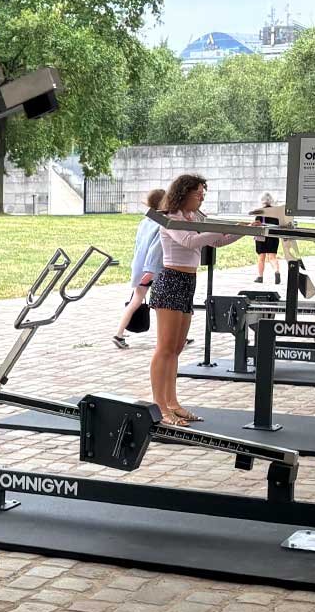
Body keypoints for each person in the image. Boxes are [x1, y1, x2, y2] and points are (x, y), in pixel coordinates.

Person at [149, 174, 250, 425]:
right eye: (198, 193)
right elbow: (189, 240)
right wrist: (216, 228)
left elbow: (217, 241)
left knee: (177, 348)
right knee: (164, 348)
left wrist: (241, 230)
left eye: (203, 193)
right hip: (170, 281)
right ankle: (159, 407)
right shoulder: (170, 218)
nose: (202, 197)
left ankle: (172, 402)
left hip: (187, 283)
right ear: (183, 193)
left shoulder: (194, 218)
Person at [113, 188, 166, 349]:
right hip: (153, 269)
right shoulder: (161, 224)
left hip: (140, 266)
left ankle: (119, 333)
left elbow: (138, 246)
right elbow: (155, 249)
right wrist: (149, 270)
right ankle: (167, 337)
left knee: (136, 300)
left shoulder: (145, 222)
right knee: (161, 304)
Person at [250, 192, 286, 284]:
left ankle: (260, 277)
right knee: (272, 256)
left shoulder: (260, 211)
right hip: (273, 236)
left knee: (261, 257)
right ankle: (276, 271)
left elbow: (257, 224)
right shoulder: (276, 212)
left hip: (261, 236)